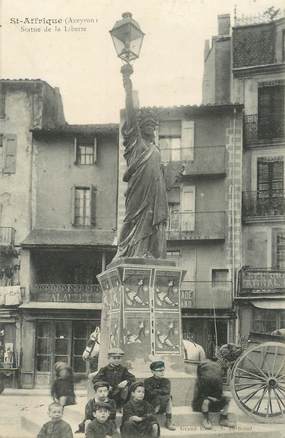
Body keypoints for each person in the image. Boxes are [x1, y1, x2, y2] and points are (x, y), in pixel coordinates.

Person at [112, 63, 168, 260]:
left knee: (151, 224)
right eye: (149, 126)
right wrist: (128, 85)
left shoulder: (156, 150)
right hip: (137, 192)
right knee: (131, 220)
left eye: (154, 126)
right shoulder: (136, 142)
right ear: (141, 127)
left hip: (153, 196)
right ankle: (122, 252)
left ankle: (148, 253)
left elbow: (160, 176)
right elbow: (130, 113)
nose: (152, 129)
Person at [192, 359, 235, 430]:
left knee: (227, 399)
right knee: (206, 401)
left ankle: (223, 419)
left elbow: (219, 394)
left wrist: (217, 399)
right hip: (200, 404)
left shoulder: (217, 381)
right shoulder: (201, 381)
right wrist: (213, 398)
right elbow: (200, 396)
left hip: (213, 403)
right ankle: (206, 419)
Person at [144, 360, 176, 431]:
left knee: (169, 398)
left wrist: (155, 391)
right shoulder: (147, 381)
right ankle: (152, 421)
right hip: (152, 404)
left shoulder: (166, 381)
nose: (162, 372)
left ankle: (168, 420)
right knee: (158, 398)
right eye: (159, 370)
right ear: (153, 372)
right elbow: (149, 393)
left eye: (163, 370)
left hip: (163, 403)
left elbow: (167, 391)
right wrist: (160, 391)